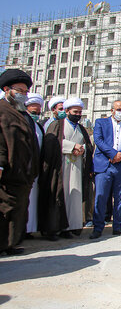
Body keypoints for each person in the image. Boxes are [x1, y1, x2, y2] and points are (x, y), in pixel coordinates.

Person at [40, 98, 93, 239]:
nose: (77, 114)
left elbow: (87, 145)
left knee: (73, 197)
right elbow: (52, 142)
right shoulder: (57, 125)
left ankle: (69, 227)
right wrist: (72, 147)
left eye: (80, 112)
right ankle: (53, 229)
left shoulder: (81, 128)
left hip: (77, 167)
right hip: (61, 167)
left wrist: (81, 150)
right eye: (75, 112)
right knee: (59, 196)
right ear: (68, 111)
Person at [0, 69, 39, 255]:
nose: (23, 95)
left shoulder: (21, 113)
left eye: (25, 92)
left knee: (18, 210)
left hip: (23, 172)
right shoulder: (2, 110)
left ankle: (10, 244)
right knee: (5, 209)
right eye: (19, 91)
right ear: (7, 89)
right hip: (7, 171)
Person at [89, 100, 121, 239]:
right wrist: (113, 154)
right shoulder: (100, 123)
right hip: (104, 165)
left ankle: (118, 226)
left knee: (120, 198)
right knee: (101, 197)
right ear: (112, 110)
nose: (120, 112)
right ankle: (98, 227)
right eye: (118, 109)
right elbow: (98, 140)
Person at [24, 93, 46, 239]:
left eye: (38, 112)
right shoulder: (22, 122)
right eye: (34, 112)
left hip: (36, 169)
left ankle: (29, 229)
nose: (37, 115)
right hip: (24, 169)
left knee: (33, 201)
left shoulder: (39, 126)